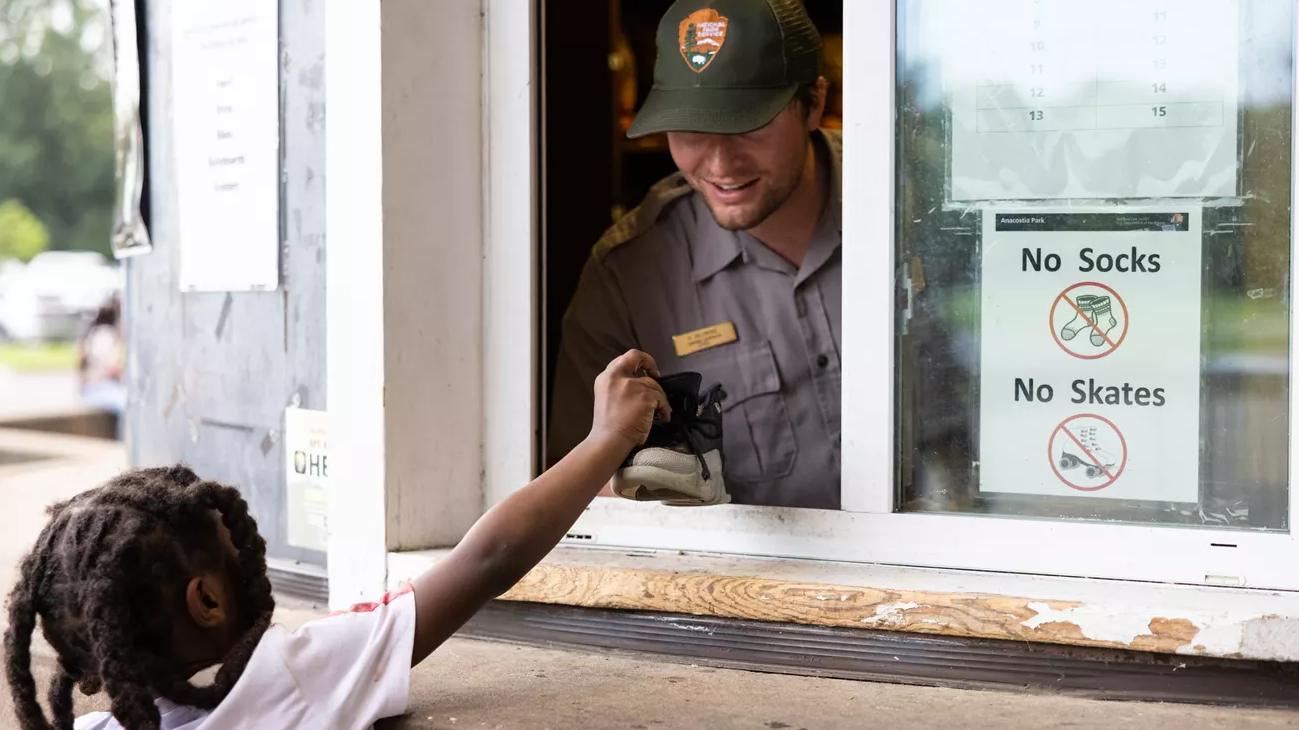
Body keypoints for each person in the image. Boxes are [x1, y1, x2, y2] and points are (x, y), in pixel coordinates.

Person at [4, 349, 670, 730]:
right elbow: (488, 559)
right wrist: (605, 440)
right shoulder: (290, 677)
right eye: (240, 553)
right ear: (206, 601)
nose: (250, 561)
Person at [548, 0, 843, 510]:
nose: (721, 165)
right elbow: (582, 505)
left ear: (814, 103)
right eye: (690, 134)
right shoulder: (628, 277)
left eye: (750, 127)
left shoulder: (919, 209)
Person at [77, 292, 127, 439]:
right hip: (98, 388)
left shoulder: (93, 332)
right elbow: (113, 369)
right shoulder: (105, 335)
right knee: (127, 403)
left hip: (94, 387)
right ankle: (122, 443)